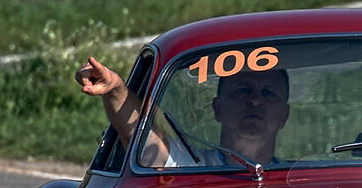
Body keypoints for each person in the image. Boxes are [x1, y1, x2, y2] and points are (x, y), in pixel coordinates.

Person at [77, 54, 289, 169]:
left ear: (284, 116)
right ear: (218, 108)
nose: (254, 100)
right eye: (243, 90)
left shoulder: (299, 180)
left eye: (268, 93)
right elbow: (144, 140)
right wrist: (115, 89)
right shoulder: (188, 168)